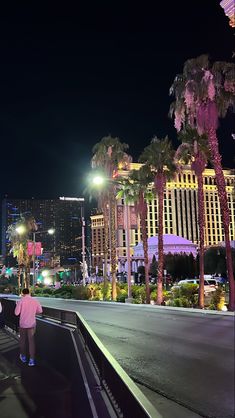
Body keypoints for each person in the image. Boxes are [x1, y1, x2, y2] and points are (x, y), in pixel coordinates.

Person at [15, 288, 42, 367]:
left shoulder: (21, 301)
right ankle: (32, 360)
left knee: (22, 340)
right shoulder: (35, 300)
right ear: (29, 293)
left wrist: (17, 305)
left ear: (23, 293)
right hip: (32, 323)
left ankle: (23, 357)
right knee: (31, 341)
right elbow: (40, 311)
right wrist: (33, 311)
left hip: (23, 324)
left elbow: (16, 313)